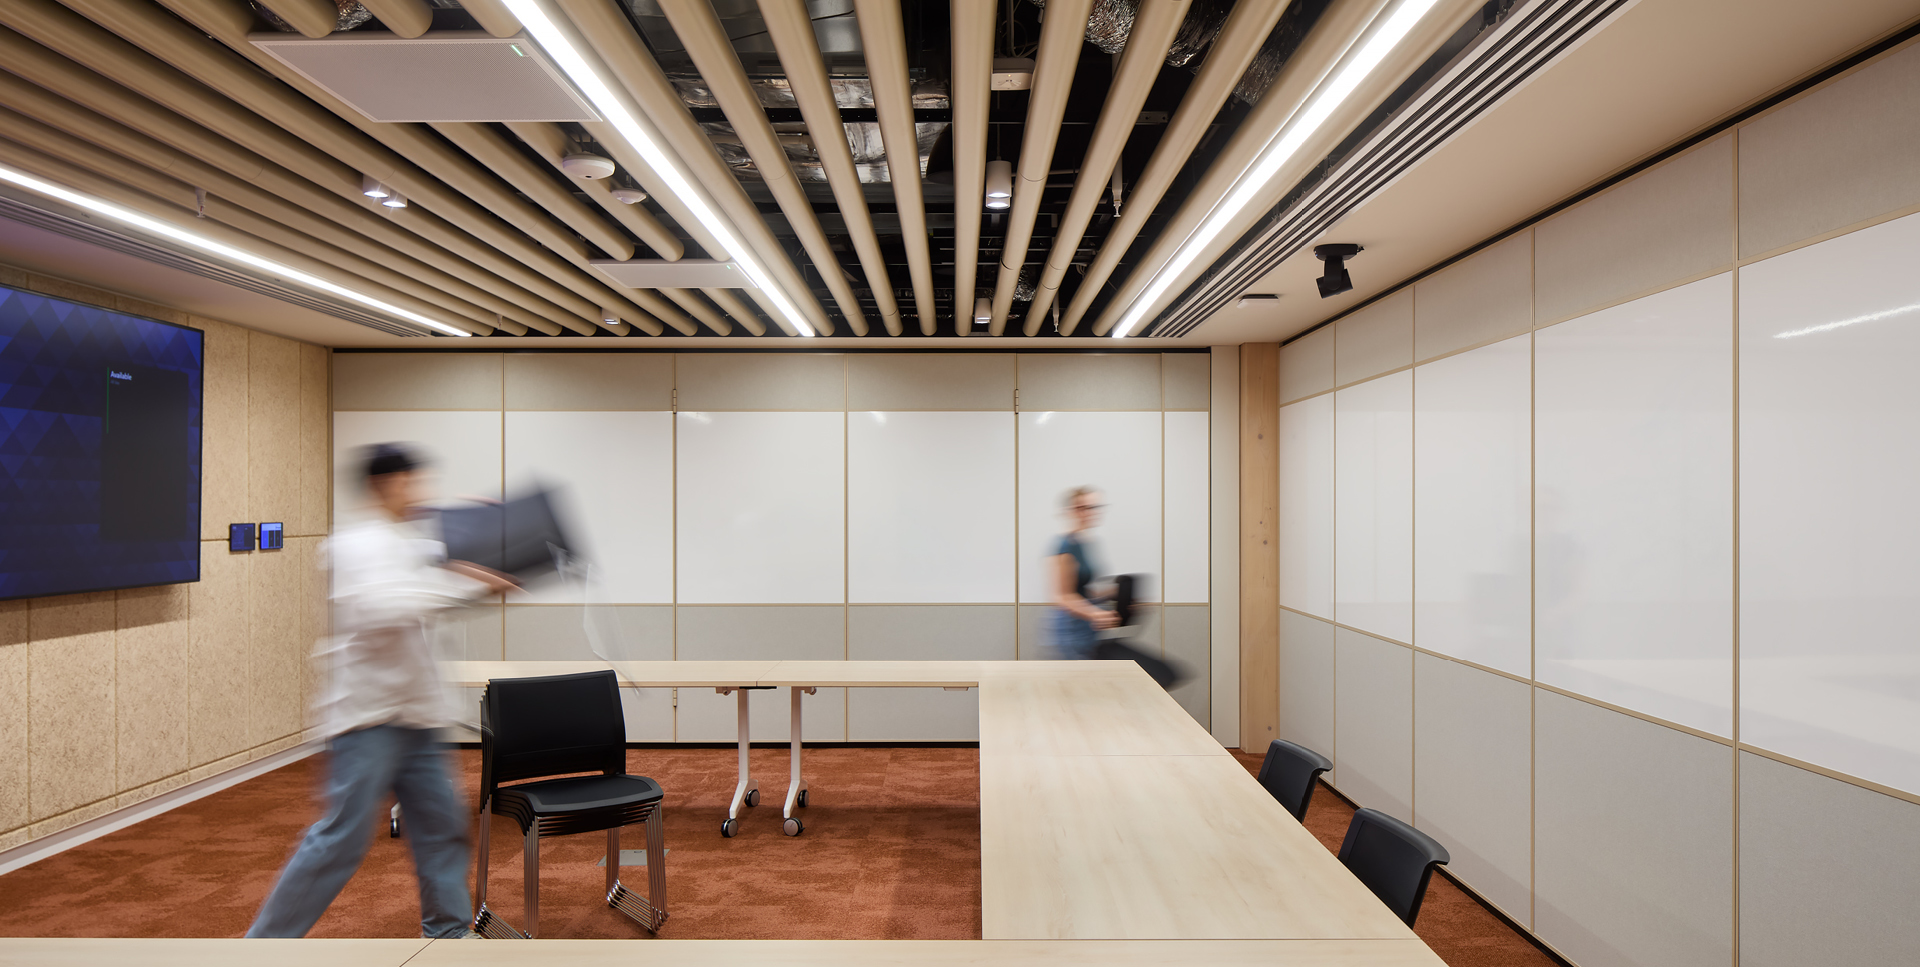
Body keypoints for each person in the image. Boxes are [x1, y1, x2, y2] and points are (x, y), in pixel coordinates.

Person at [247, 444, 517, 939]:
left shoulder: (410, 540)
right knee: (341, 841)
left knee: (442, 831)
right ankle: (263, 948)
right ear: (384, 484)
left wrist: (487, 537)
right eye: (411, 483)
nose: (420, 493)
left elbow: (447, 569)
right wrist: (467, 583)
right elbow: (385, 605)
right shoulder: (350, 545)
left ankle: (448, 937)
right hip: (367, 720)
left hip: (416, 718)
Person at [1048, 486, 1117, 659]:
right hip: (1071, 632)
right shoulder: (1066, 545)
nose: (1091, 512)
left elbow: (1081, 590)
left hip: (1086, 628)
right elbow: (1062, 596)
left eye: (1094, 507)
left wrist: (1114, 593)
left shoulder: (1083, 543)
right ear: (1072, 511)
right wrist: (1096, 613)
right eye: (1084, 508)